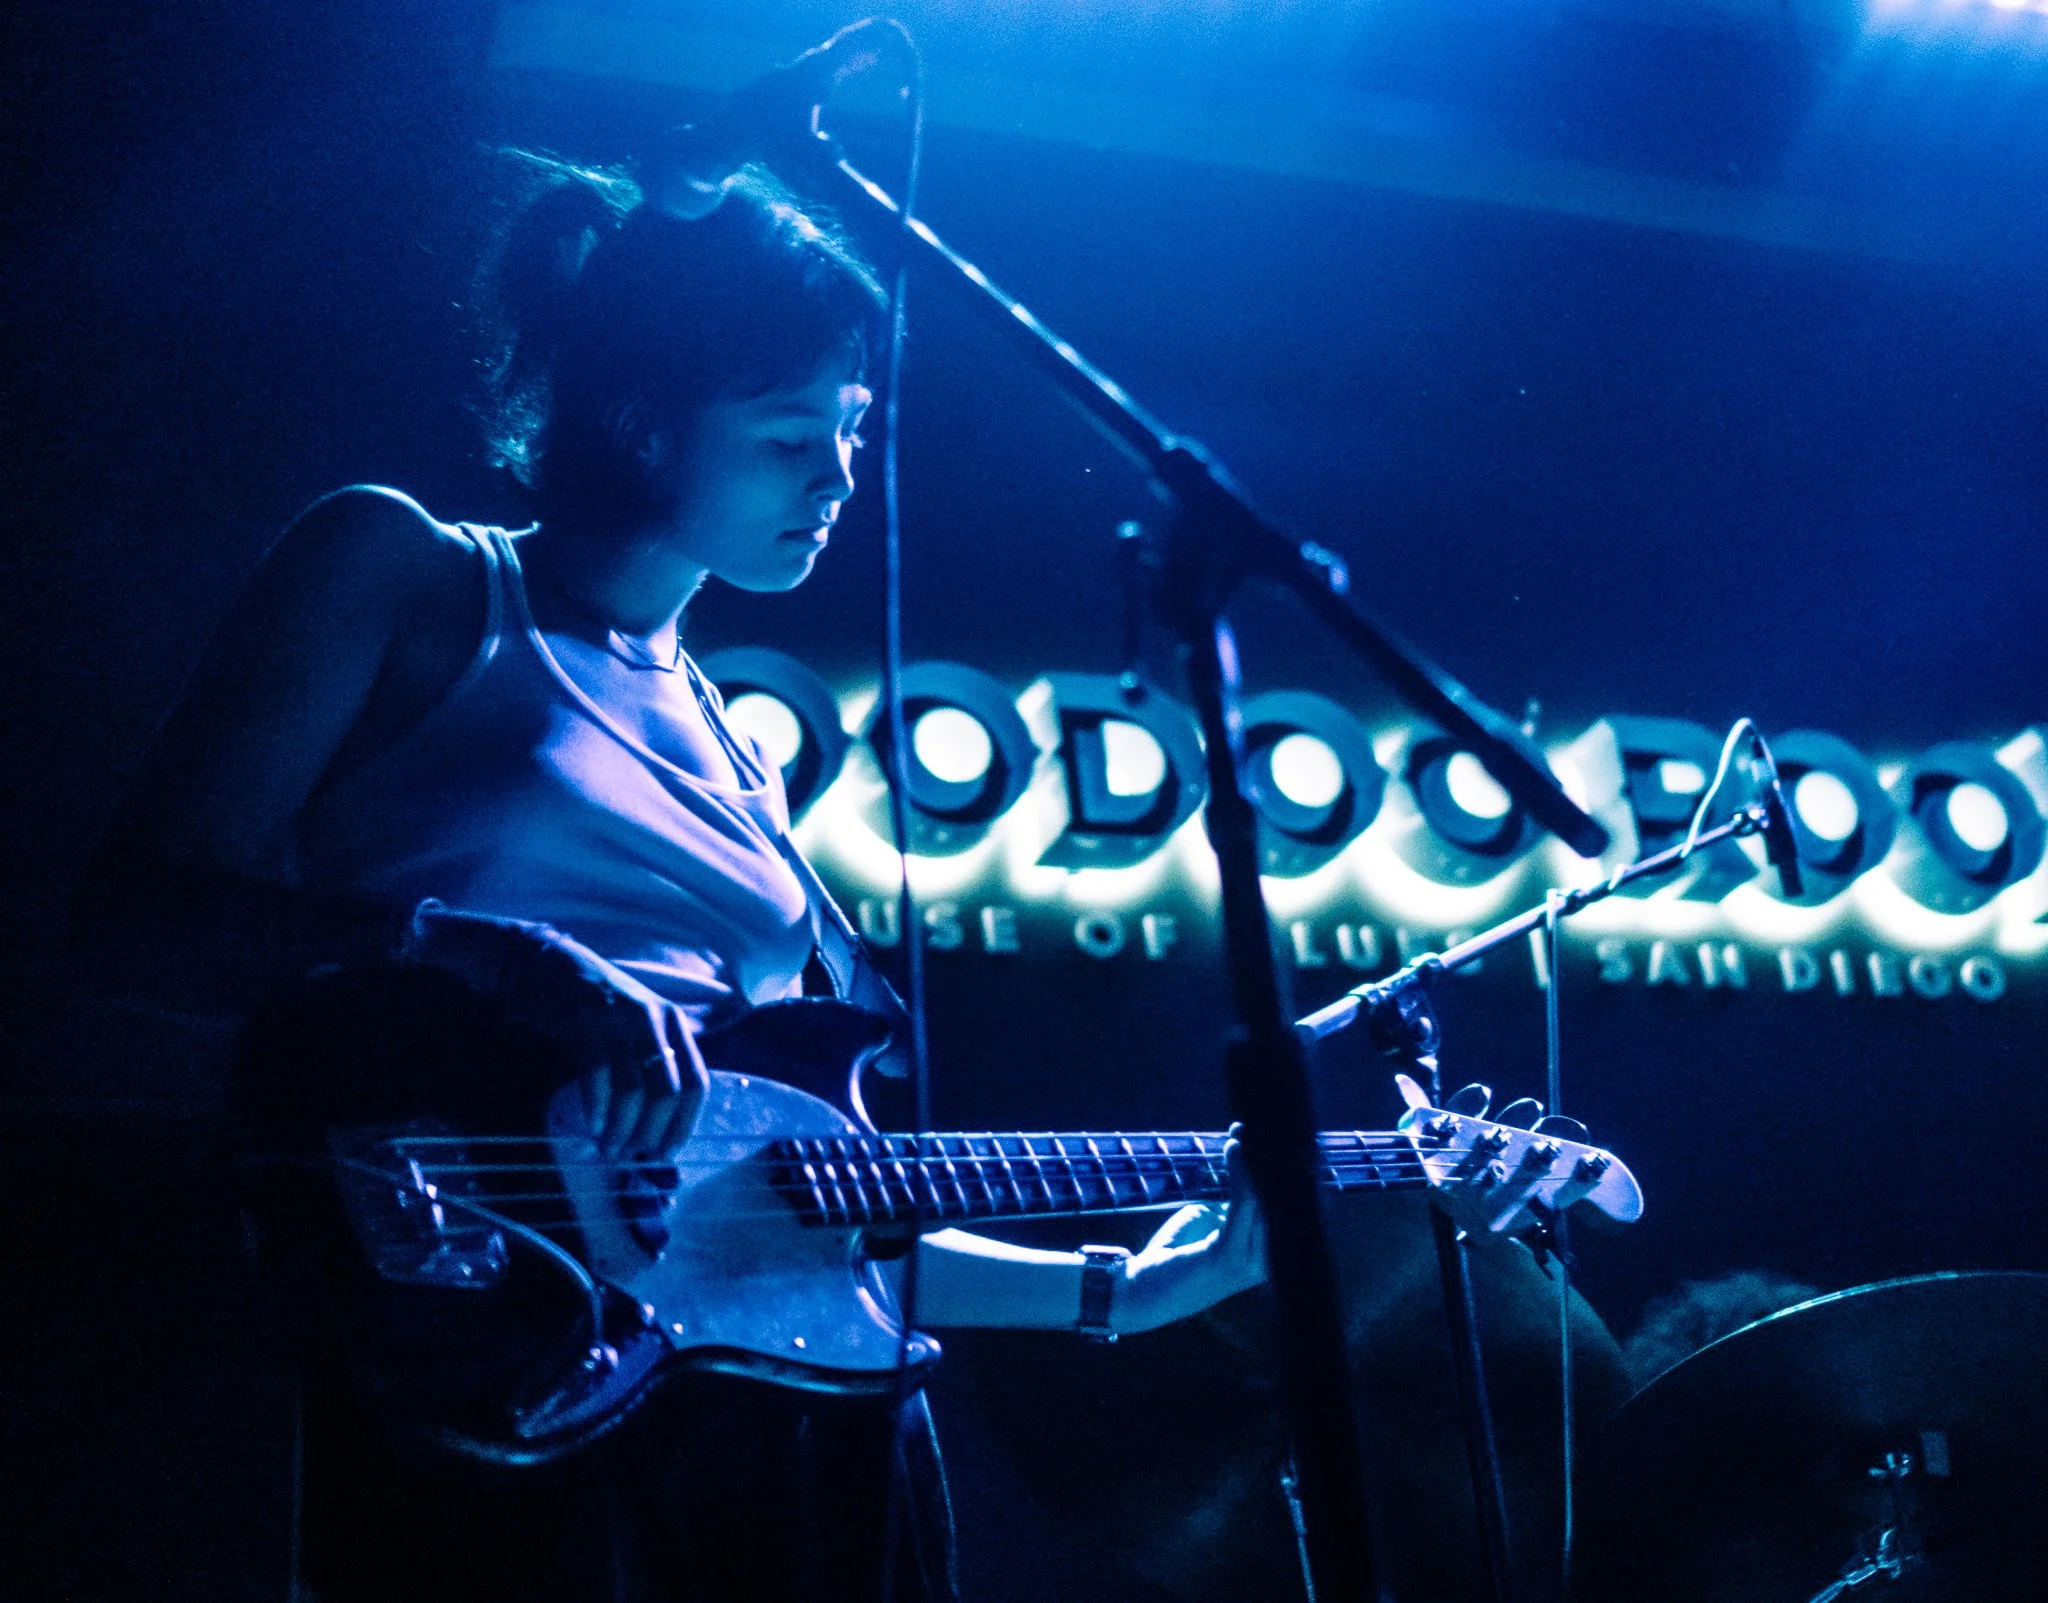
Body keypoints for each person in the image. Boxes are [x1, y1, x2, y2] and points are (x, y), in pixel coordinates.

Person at [80, 157, 1266, 1601]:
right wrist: (485, 953)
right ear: (643, 424)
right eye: (790, 433)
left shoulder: (741, 751)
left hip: (764, 1439)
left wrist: (1129, 1290)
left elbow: (765, 1220)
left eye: (853, 427)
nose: (841, 476)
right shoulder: (409, 574)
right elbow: (128, 919)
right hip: (477, 1377)